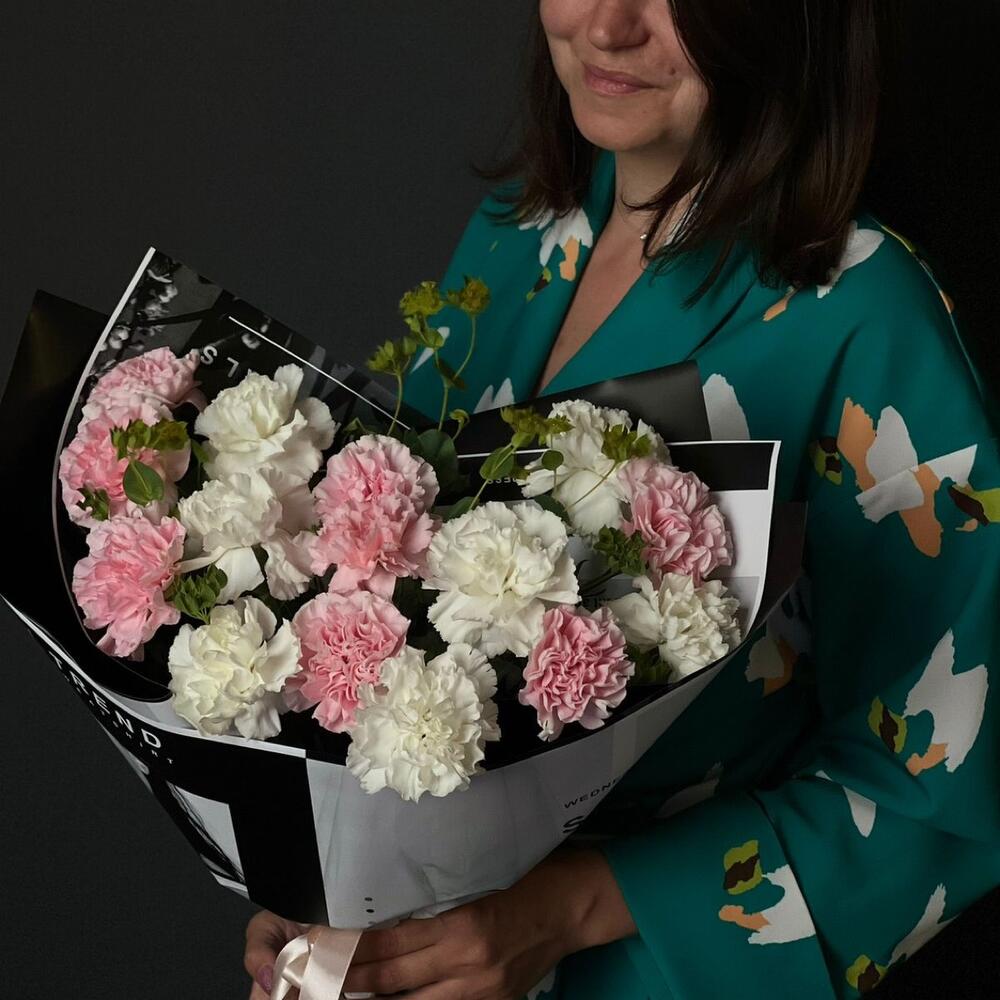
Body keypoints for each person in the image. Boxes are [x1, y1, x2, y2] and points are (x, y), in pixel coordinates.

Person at [245, 1, 1000, 997]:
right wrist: (325, 875)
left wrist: (568, 911)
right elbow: (389, 609)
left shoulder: (867, 316)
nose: (607, 26)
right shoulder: (518, 235)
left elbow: (936, 796)